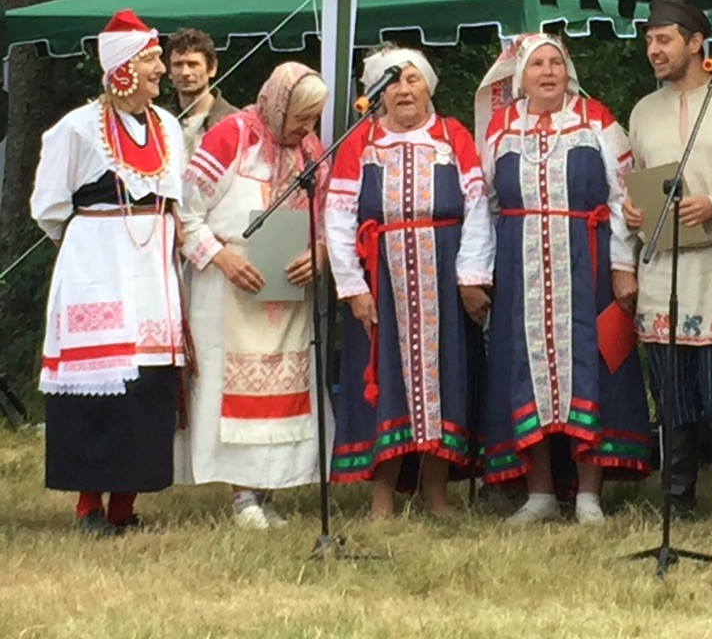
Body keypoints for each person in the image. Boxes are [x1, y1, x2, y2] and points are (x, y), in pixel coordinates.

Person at [476, 33, 651, 524]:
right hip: (520, 265)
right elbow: (484, 205)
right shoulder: (500, 128)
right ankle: (540, 494)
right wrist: (479, 272)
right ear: (521, 76)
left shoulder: (596, 120)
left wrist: (622, 266)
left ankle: (589, 495)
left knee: (590, 365)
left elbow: (622, 199)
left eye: (556, 62)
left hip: (586, 259)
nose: (548, 72)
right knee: (522, 370)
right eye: (538, 65)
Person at [30, 9, 186, 537]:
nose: (161, 69)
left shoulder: (167, 127)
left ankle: (126, 506)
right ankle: (88, 506)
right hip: (97, 261)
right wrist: (90, 243)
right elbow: (49, 206)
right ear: (122, 67)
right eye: (151, 59)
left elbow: (176, 199)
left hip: (152, 271)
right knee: (96, 388)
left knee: (145, 385)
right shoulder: (76, 128)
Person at [326, 47, 491, 518]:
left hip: (443, 278)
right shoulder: (361, 142)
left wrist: (471, 276)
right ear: (377, 94)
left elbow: (477, 209)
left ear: (429, 86)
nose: (404, 90)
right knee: (387, 383)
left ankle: (435, 493)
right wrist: (353, 287)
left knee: (444, 382)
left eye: (413, 80)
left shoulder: (452, 135)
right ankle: (383, 496)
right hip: (383, 283)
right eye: (392, 82)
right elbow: (337, 218)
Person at [176, 62, 330, 529]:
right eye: (299, 117)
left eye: (313, 118)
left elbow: (326, 215)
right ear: (276, 104)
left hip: (286, 288)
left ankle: (267, 488)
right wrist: (221, 257)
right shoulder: (229, 137)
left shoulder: (310, 149)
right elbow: (183, 212)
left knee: (282, 387)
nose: (306, 128)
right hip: (227, 283)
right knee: (229, 386)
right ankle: (240, 493)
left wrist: (319, 252)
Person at [625, 0, 712, 522]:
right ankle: (676, 504)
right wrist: (633, 213)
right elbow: (632, 184)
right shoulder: (642, 111)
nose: (653, 50)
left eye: (664, 39)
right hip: (663, 270)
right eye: (650, 40)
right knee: (673, 394)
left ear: (696, 41)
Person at [167, 28, 238, 158]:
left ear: (212, 69)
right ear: (170, 72)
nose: (185, 72)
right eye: (178, 65)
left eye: (193, 64)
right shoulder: (159, 122)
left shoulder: (236, 123)